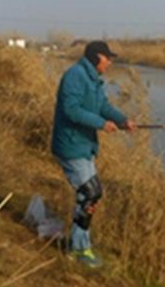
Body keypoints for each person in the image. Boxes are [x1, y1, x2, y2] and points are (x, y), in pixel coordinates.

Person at [51, 40, 135, 268]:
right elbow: (71, 110)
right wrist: (101, 124)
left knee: (91, 194)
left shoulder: (94, 80)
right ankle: (78, 250)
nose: (110, 62)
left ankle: (80, 245)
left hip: (85, 145)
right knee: (89, 193)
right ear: (97, 57)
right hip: (70, 145)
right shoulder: (75, 76)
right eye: (108, 58)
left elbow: (103, 106)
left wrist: (121, 120)